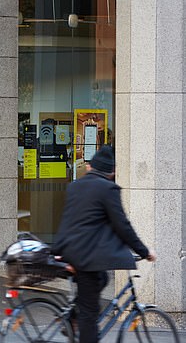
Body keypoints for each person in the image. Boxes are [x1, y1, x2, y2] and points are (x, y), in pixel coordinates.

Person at [53, 145, 156, 343]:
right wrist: (144, 251)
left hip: (69, 251)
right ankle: (79, 321)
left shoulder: (75, 185)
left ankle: (72, 317)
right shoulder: (108, 189)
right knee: (90, 315)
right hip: (86, 257)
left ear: (91, 167)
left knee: (101, 280)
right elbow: (123, 226)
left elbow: (72, 220)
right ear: (112, 172)